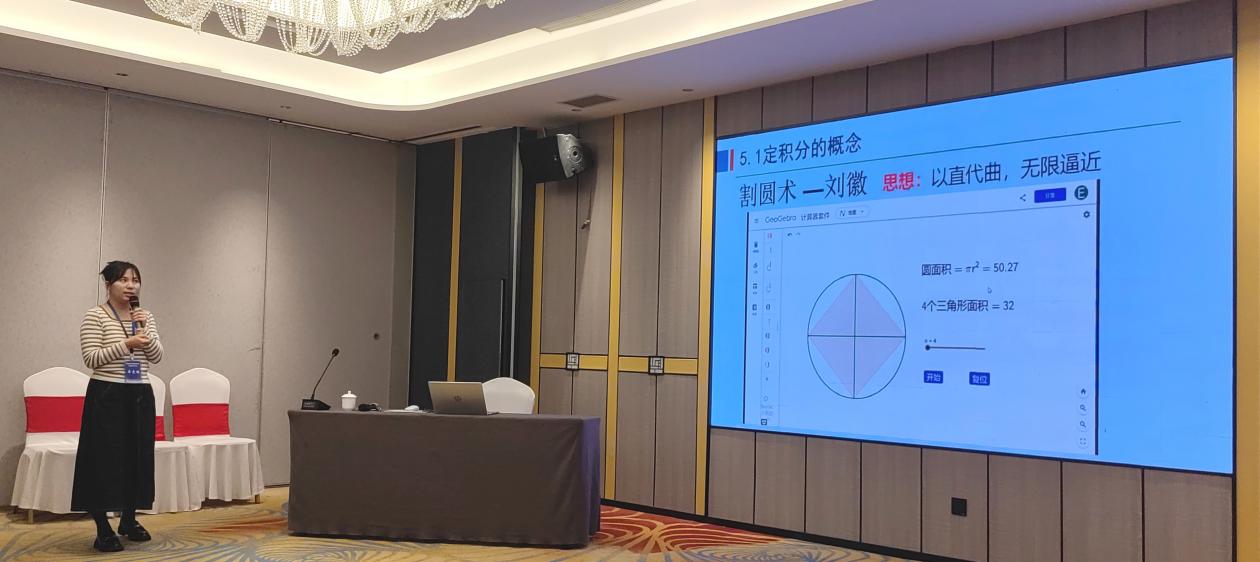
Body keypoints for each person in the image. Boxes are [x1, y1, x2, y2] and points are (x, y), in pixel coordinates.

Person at [72, 261, 163, 552]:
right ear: (108, 284)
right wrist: (127, 343)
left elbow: (157, 356)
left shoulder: (145, 316)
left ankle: (129, 519)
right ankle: (102, 527)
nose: (130, 285)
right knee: (103, 461)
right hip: (107, 394)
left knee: (137, 458)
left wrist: (144, 331)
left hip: (140, 393)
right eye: (123, 280)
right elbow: (91, 358)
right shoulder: (95, 316)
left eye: (135, 280)